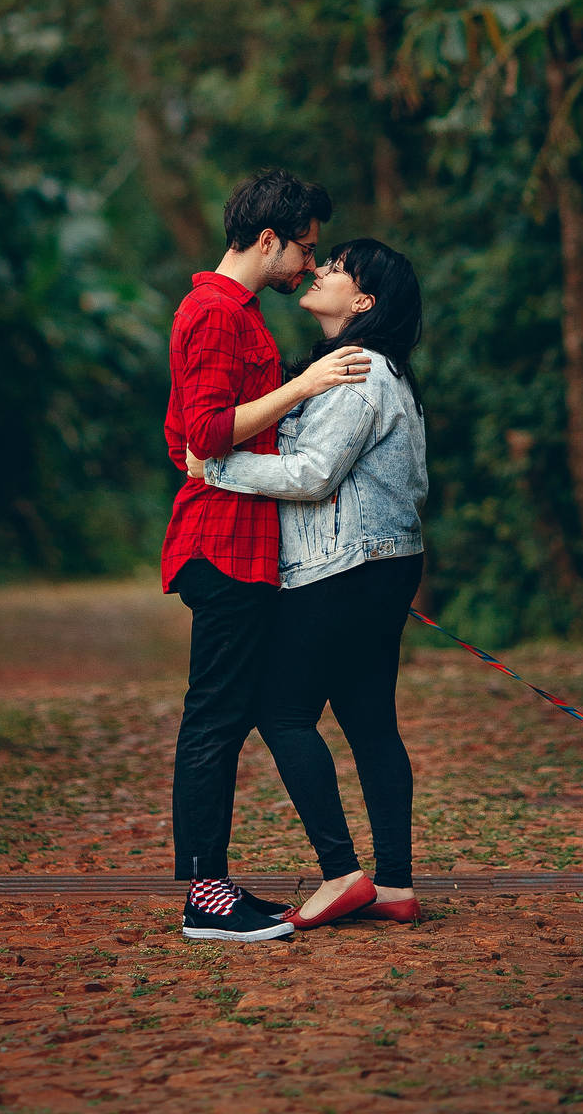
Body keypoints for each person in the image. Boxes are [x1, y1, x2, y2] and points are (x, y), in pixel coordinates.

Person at [188, 238, 427, 929]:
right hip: (378, 566)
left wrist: (214, 469)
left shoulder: (357, 370)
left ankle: (342, 873)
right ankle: (396, 886)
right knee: (369, 720)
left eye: (336, 266)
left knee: (280, 712)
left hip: (342, 571)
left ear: (363, 302)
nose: (318, 270)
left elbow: (312, 474)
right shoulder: (377, 372)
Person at [163, 168, 374, 943]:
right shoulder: (216, 314)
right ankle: (204, 895)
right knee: (214, 719)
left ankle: (219, 886)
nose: (309, 267)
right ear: (266, 240)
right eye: (305, 251)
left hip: (241, 546)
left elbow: (181, 434)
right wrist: (307, 382)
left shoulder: (232, 312)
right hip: (221, 545)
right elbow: (206, 435)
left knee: (232, 713)